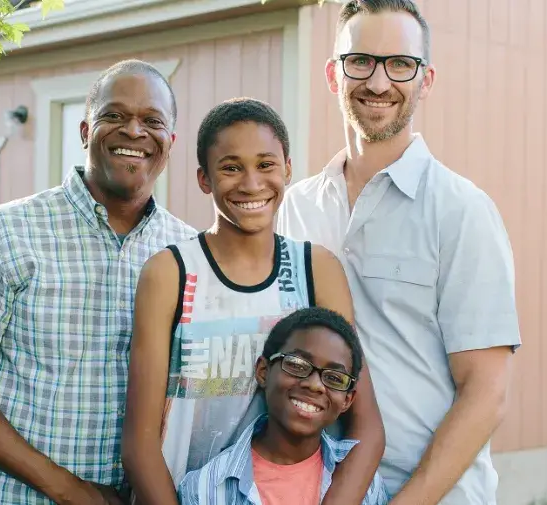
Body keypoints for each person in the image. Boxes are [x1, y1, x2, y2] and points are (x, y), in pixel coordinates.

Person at [0, 59, 197, 505]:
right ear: (86, 131)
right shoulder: (3, 233)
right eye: (114, 116)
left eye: (152, 121)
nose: (134, 132)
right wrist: (71, 491)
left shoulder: (189, 251)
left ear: (171, 142)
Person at [275, 2, 523, 504]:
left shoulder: (462, 212)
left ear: (425, 79)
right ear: (333, 73)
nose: (379, 82)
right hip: (316, 488)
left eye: (400, 64)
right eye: (360, 60)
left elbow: (486, 393)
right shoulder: (296, 206)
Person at [124, 97, 385, 505]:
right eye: (231, 167)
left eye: (266, 164)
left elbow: (366, 427)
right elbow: (139, 446)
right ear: (204, 179)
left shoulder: (314, 268)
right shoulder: (170, 272)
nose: (251, 183)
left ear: (288, 169)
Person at [176, 307, 390, 505]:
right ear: (263, 371)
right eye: (297, 365)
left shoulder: (366, 487)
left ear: (347, 400)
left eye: (334, 378)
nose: (315, 385)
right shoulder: (206, 489)